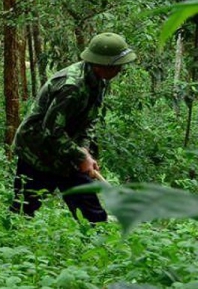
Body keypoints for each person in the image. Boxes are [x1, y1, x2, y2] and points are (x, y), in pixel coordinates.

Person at [10, 32, 137, 223]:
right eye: (118, 64)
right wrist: (80, 156)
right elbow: (52, 131)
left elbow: (88, 122)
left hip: (66, 153)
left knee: (91, 212)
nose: (120, 69)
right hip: (37, 153)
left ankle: (98, 243)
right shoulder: (72, 86)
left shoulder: (97, 81)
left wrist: (84, 151)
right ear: (103, 64)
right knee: (23, 210)